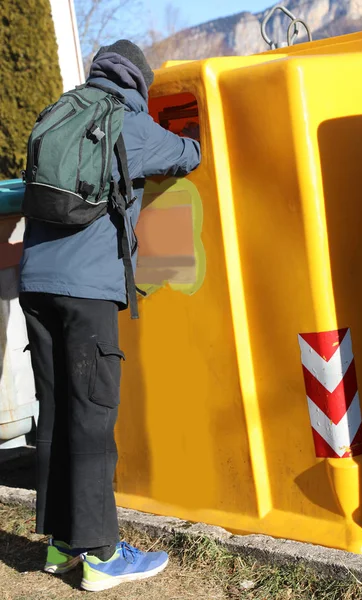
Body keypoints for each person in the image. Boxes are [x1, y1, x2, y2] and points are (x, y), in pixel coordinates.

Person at [19, 40, 201, 592]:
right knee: (93, 418)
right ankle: (101, 556)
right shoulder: (128, 120)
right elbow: (189, 154)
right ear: (139, 82)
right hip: (87, 293)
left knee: (54, 417)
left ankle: (58, 542)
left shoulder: (59, 110)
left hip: (35, 285)